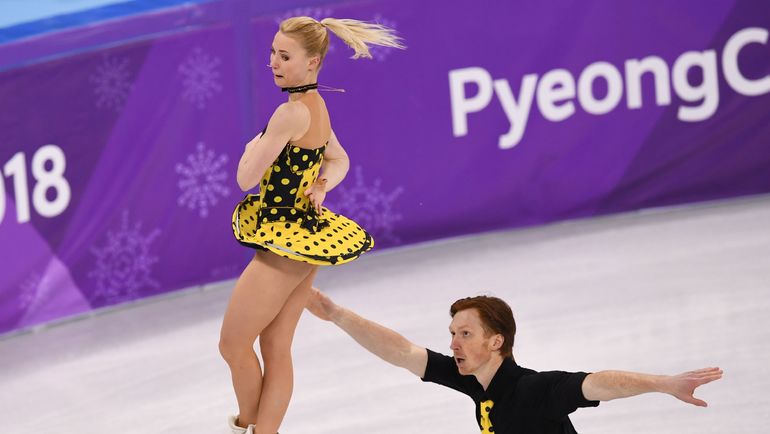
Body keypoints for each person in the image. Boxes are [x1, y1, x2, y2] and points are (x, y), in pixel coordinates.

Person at [220, 17, 404, 434]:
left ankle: (247, 425)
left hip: (283, 243)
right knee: (275, 345)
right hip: (305, 238)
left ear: (312, 61)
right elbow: (339, 159)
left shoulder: (290, 114)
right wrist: (321, 185)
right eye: (272, 52)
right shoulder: (317, 107)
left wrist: (253, 147)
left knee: (232, 345)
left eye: (284, 56)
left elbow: (245, 179)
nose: (273, 63)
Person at [306, 289, 723, 434]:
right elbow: (399, 351)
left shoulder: (535, 389)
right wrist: (337, 316)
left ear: (496, 341)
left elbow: (599, 383)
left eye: (465, 334)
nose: (453, 343)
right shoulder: (471, 379)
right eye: (452, 334)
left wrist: (664, 383)